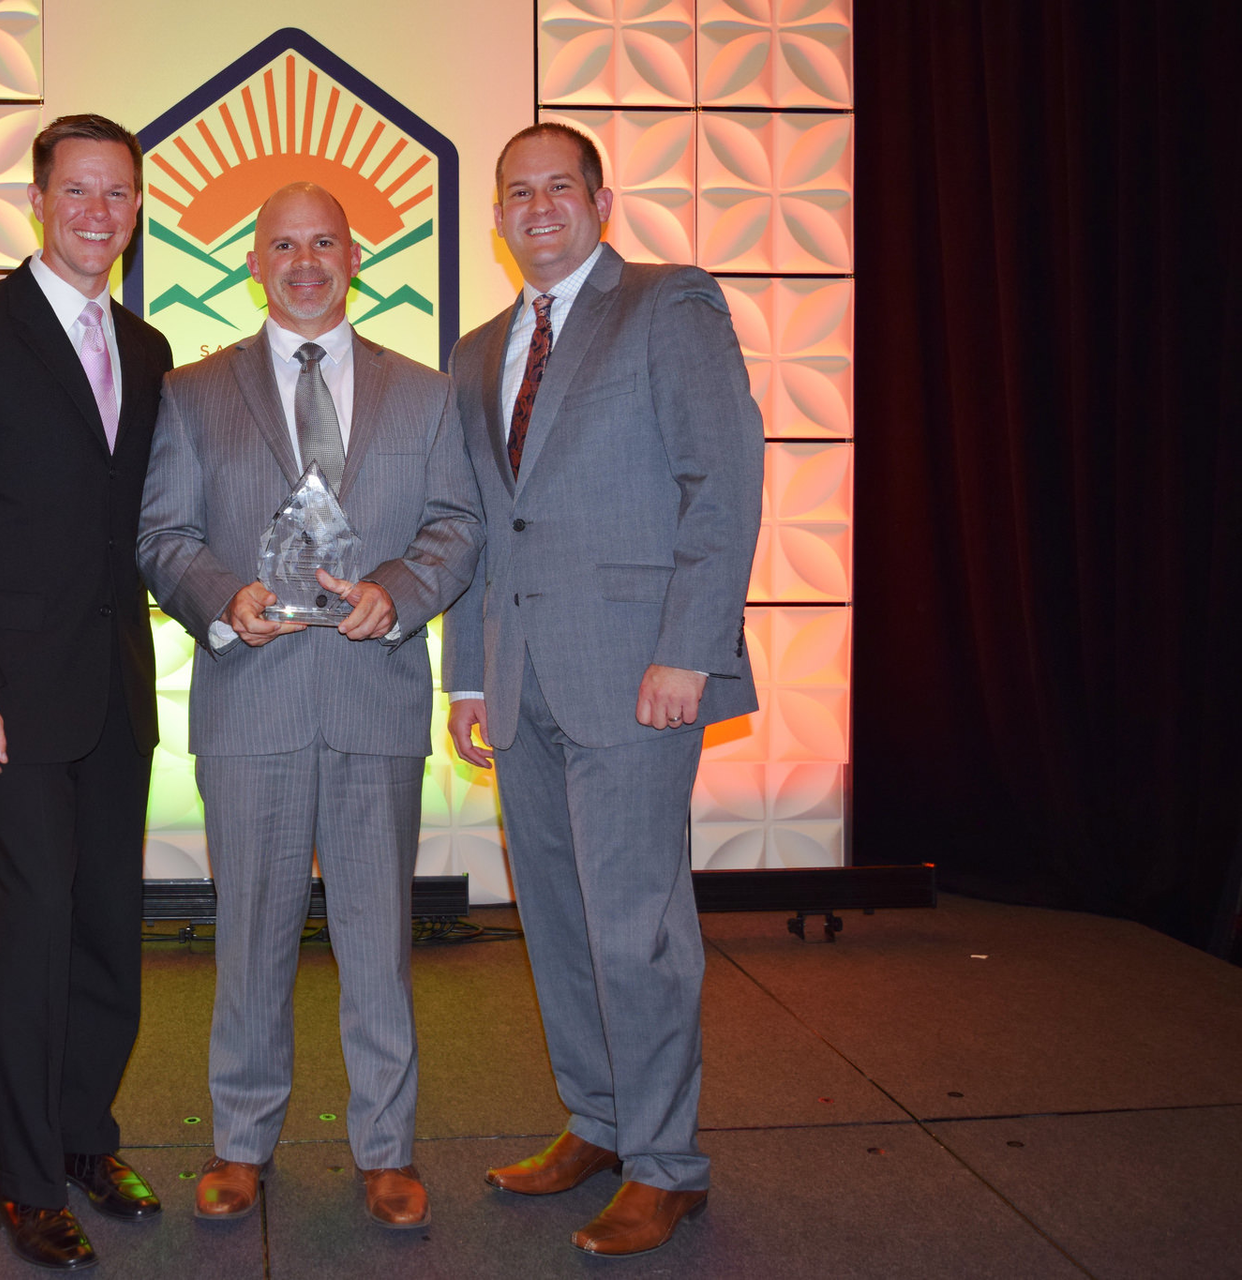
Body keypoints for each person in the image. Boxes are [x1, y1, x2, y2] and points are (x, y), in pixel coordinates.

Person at [442, 122, 764, 1257]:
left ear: (600, 200)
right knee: (561, 921)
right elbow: (480, 527)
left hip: (641, 676)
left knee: (638, 927)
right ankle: (599, 1120)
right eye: (516, 190)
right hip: (520, 681)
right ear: (497, 216)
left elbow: (721, 483)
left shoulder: (669, 305)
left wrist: (692, 647)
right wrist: (469, 677)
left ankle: (669, 1161)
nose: (538, 207)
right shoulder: (479, 349)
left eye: (557, 188)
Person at [138, 183, 480, 1230]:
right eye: (282, 243)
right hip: (252, 699)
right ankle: (241, 1141)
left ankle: (386, 1146)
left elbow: (458, 525)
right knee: (249, 937)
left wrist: (403, 589)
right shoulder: (189, 392)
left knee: (379, 937)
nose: (304, 260)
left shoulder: (424, 393)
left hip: (375, 698)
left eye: (322, 241)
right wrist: (220, 600)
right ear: (253, 260)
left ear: (352, 254)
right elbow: (161, 534)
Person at [0, 113, 174, 1272]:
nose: (98, 213)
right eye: (78, 192)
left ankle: (85, 1135)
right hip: (9, 701)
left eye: (118, 195)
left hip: (116, 693)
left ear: (137, 210)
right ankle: (23, 1179)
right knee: (33, 933)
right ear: (39, 201)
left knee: (109, 925)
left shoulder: (148, 350)